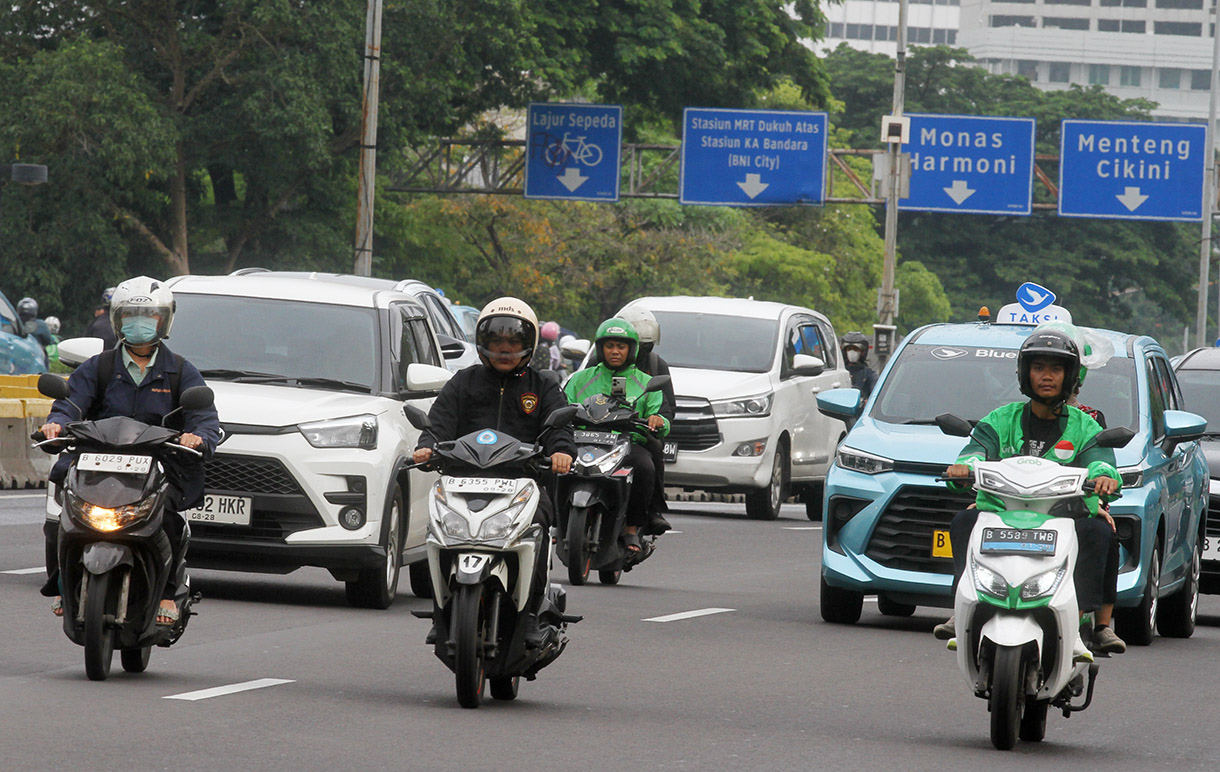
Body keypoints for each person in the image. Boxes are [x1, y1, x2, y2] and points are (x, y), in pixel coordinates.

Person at [932, 323, 1126, 656]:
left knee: (1098, 532)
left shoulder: (1086, 425)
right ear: (1025, 373)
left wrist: (1105, 478)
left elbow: (1102, 463)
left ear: (1071, 376)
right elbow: (974, 452)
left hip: (1066, 515)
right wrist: (963, 467)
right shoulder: (999, 419)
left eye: (1056, 368)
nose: (1046, 376)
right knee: (963, 522)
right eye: (1038, 368)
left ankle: (1081, 625)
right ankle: (963, 606)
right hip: (1001, 513)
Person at [39, 276, 220, 626]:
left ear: (164, 321)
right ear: (117, 321)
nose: (139, 324)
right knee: (56, 519)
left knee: (167, 517)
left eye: (149, 316)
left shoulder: (181, 371)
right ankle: (62, 584)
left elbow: (205, 418)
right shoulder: (100, 366)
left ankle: (168, 591)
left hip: (156, 466)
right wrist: (57, 424)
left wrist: (197, 437)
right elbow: (70, 403)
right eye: (131, 316)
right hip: (96, 462)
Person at [412, 297, 575, 647]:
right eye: (497, 340)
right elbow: (438, 424)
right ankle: (442, 615)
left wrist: (561, 451)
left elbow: (560, 428)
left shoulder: (543, 386)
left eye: (513, 342)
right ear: (482, 341)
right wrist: (427, 445)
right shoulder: (463, 382)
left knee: (540, 530)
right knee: (437, 530)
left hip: (523, 483)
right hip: (462, 481)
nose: (504, 349)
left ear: (528, 344)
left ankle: (531, 614)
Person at [564, 318, 671, 554]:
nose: (615, 351)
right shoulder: (580, 378)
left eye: (620, 347)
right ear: (600, 348)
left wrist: (657, 421)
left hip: (627, 444)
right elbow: (562, 405)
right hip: (584, 441)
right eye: (609, 346)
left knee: (645, 466)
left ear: (631, 350)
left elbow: (662, 417)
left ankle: (632, 526)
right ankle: (556, 520)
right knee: (556, 461)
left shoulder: (646, 382)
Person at [617, 305, 674, 535]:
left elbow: (668, 408)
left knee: (654, 450)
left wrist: (656, 419)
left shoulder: (655, 366)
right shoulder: (593, 370)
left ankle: (652, 509)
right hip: (599, 428)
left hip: (636, 432)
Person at [840, 331, 878, 400]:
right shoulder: (839, 372)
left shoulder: (870, 375)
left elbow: (875, 398)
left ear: (863, 351)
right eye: (849, 349)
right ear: (844, 351)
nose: (852, 352)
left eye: (855, 349)